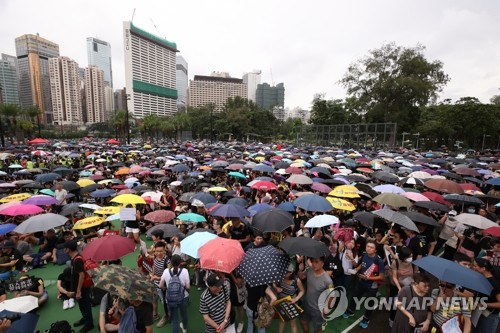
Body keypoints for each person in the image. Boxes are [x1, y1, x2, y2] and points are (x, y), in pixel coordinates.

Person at [342, 240, 385, 329]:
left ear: (375, 250)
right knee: (355, 296)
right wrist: (356, 269)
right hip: (362, 281)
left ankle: (366, 319)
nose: (369, 248)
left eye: (371, 247)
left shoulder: (379, 261)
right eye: (368, 246)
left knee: (369, 302)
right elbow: (361, 264)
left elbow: (381, 277)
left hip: (372, 285)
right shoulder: (365, 254)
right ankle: (351, 311)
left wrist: (368, 278)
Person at [65, 239, 94, 333]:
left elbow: (81, 275)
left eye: (65, 248)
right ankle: (85, 318)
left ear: (68, 249)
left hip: (82, 288)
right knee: (82, 305)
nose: (63, 249)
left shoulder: (77, 260)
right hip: (80, 287)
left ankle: (89, 324)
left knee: (85, 305)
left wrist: (78, 291)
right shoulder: (75, 258)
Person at [298, 256, 332, 333]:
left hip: (318, 310)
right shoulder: (310, 270)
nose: (313, 264)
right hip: (306, 304)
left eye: (316, 262)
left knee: (318, 329)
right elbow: (302, 277)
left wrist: (325, 310)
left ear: (322, 264)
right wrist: (300, 270)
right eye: (312, 261)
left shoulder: (327, 280)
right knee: (303, 322)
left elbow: (332, 296)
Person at [268, 265, 305, 333]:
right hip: (281, 303)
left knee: (293, 324)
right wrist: (276, 288)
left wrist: (296, 299)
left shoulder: (296, 280)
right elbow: (273, 283)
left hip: (292, 303)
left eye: (285, 273)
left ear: (290, 273)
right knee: (282, 321)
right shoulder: (280, 277)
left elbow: (302, 291)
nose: (283, 274)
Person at [160, 254, 190, 333]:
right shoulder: (185, 271)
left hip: (170, 298)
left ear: (171, 263)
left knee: (174, 319)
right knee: (184, 313)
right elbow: (188, 287)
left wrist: (166, 288)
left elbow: (161, 285)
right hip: (183, 296)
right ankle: (184, 329)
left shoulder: (166, 271)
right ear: (180, 263)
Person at [473, 258, 500, 332]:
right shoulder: (481, 279)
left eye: (475, 266)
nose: (473, 268)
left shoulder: (494, 283)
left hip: (489, 317)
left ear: (483, 268)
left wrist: (483, 304)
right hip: (478, 314)